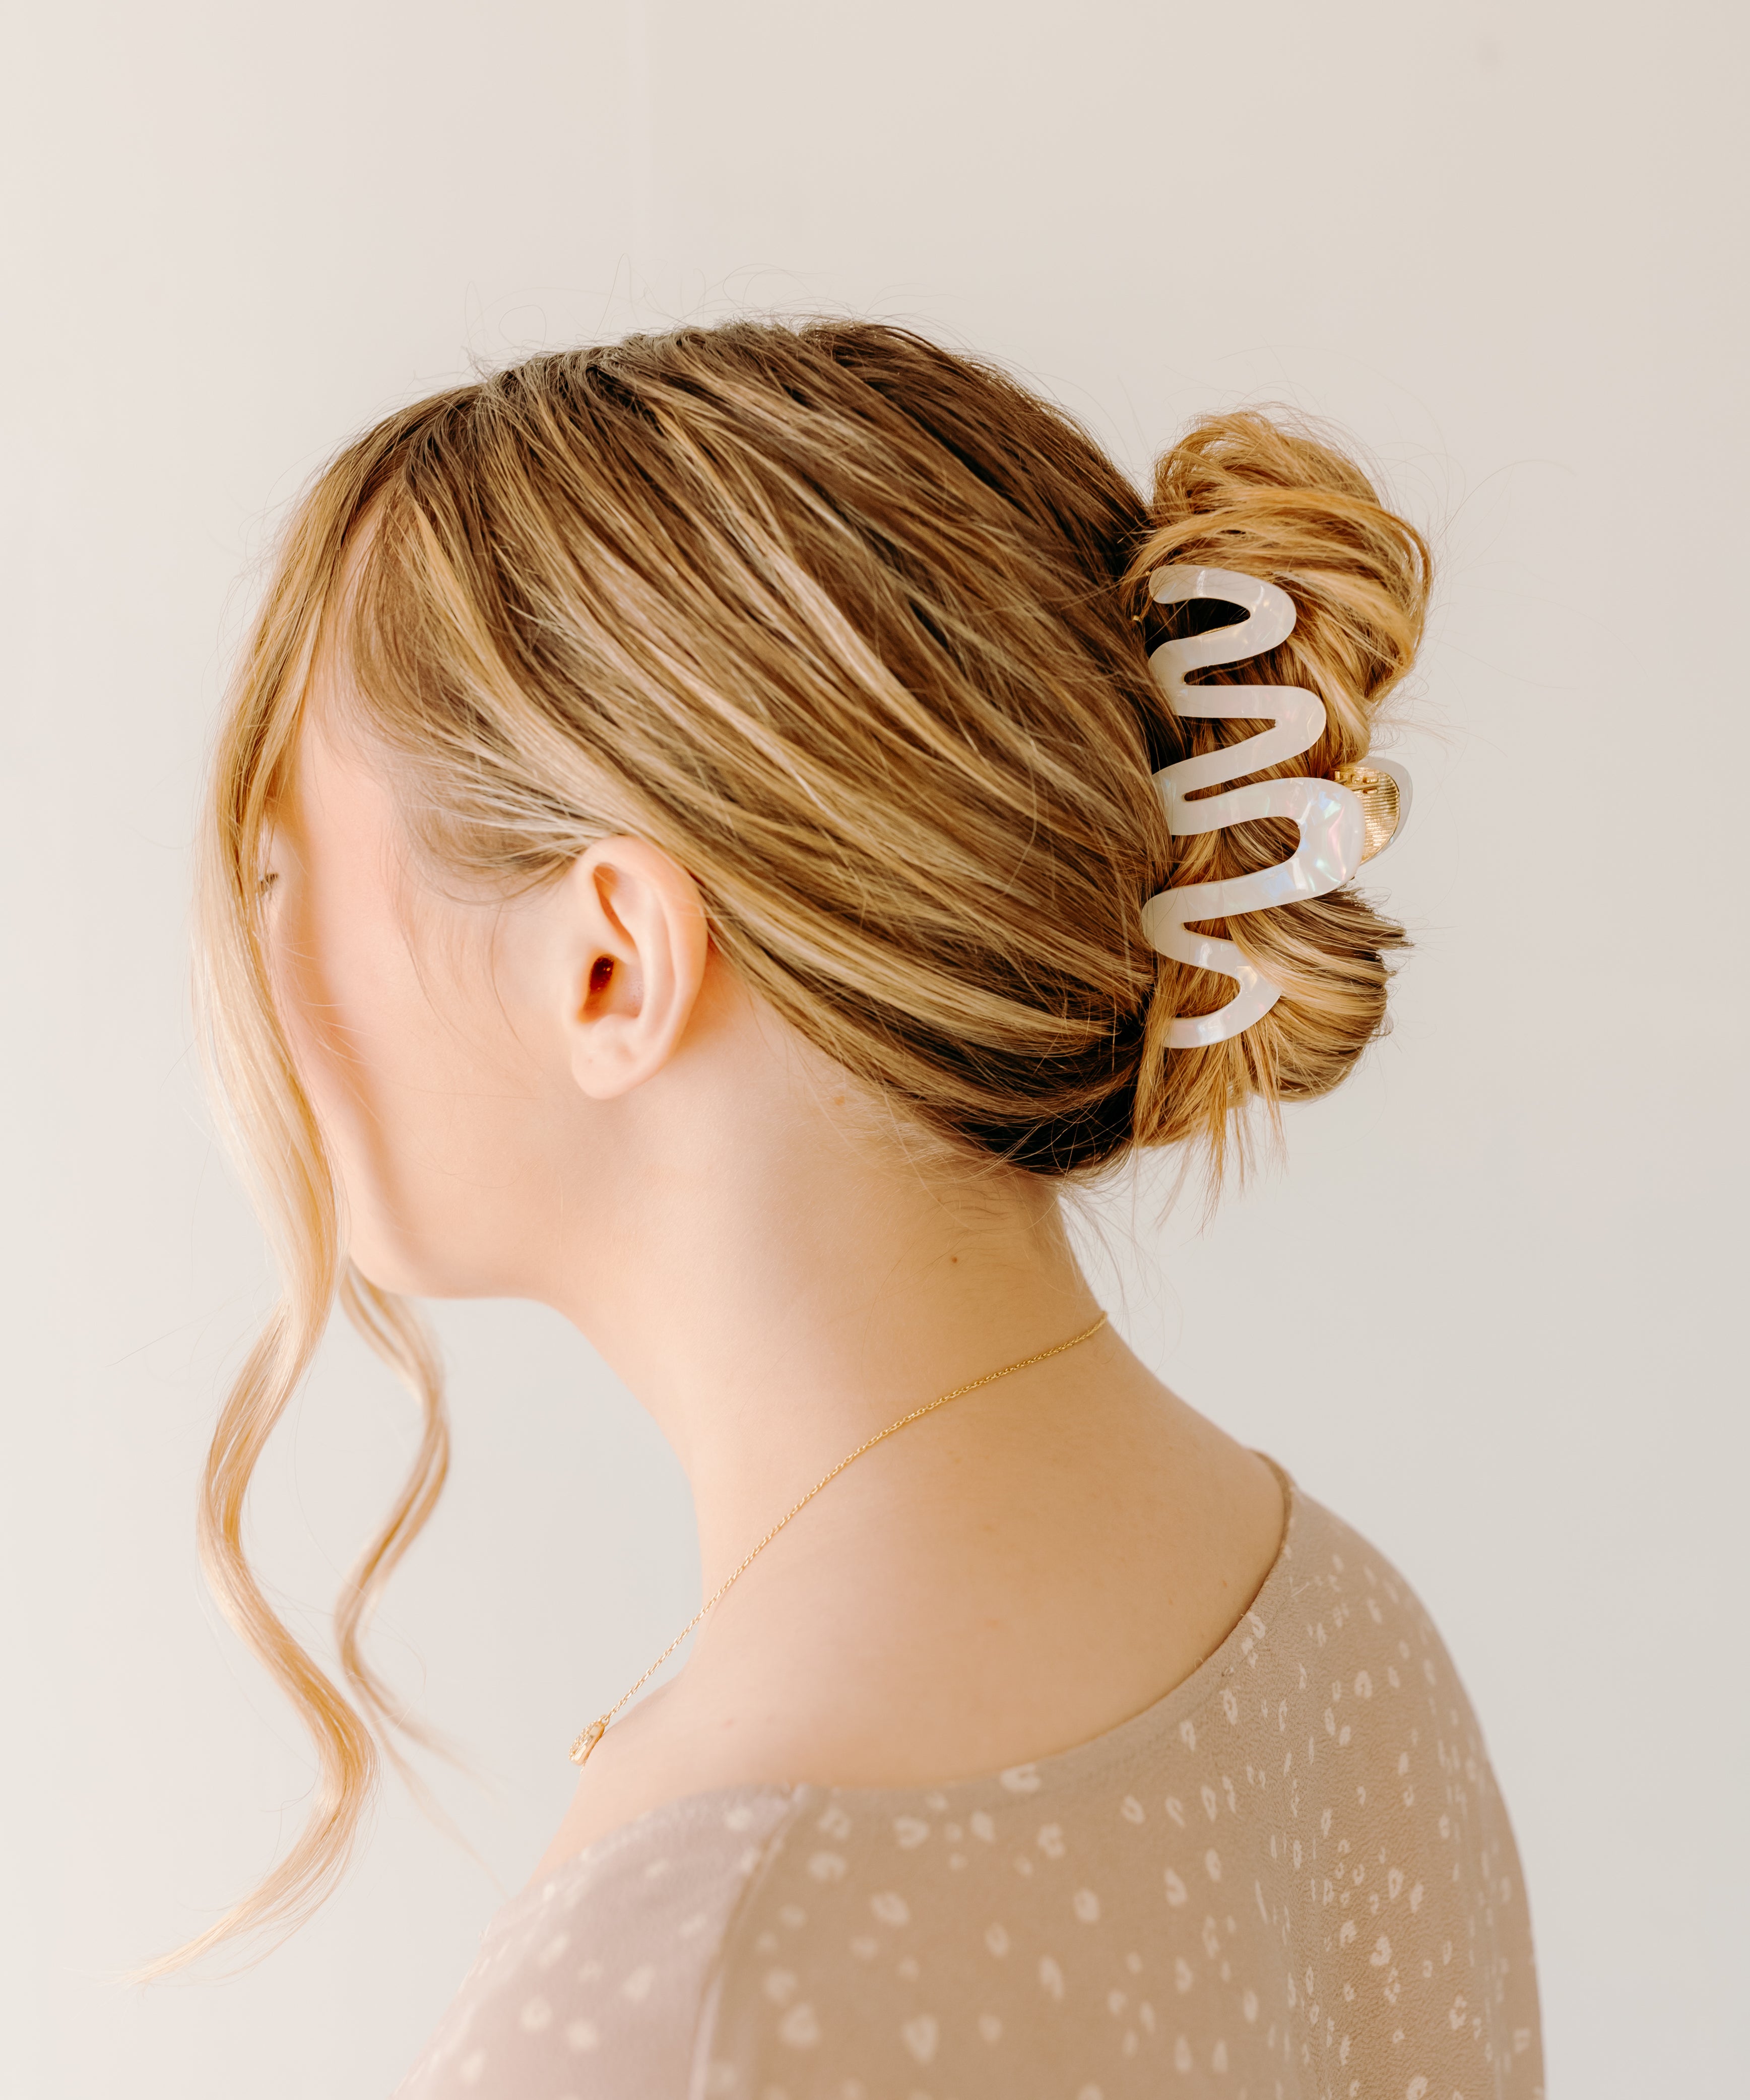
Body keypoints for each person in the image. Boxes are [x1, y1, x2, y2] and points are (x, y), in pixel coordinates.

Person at [182, 317, 1542, 2096]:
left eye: (287, 866)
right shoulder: (1338, 1638)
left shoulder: (679, 1986)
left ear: (608, 962)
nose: (258, 960)